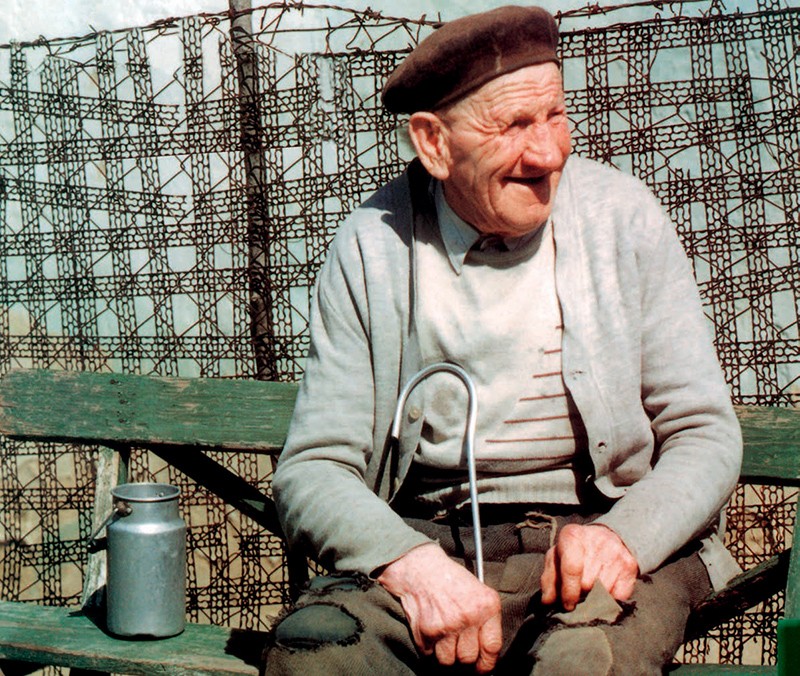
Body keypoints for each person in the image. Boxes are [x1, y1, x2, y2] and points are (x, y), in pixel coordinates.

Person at [265, 5, 742, 674]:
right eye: (515, 125)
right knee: (316, 657)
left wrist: (623, 537)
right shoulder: (373, 246)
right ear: (433, 143)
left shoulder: (623, 219)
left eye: (555, 115)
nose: (549, 152)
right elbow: (314, 468)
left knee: (586, 664)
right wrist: (409, 563)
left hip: (601, 538)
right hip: (429, 542)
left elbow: (705, 433)